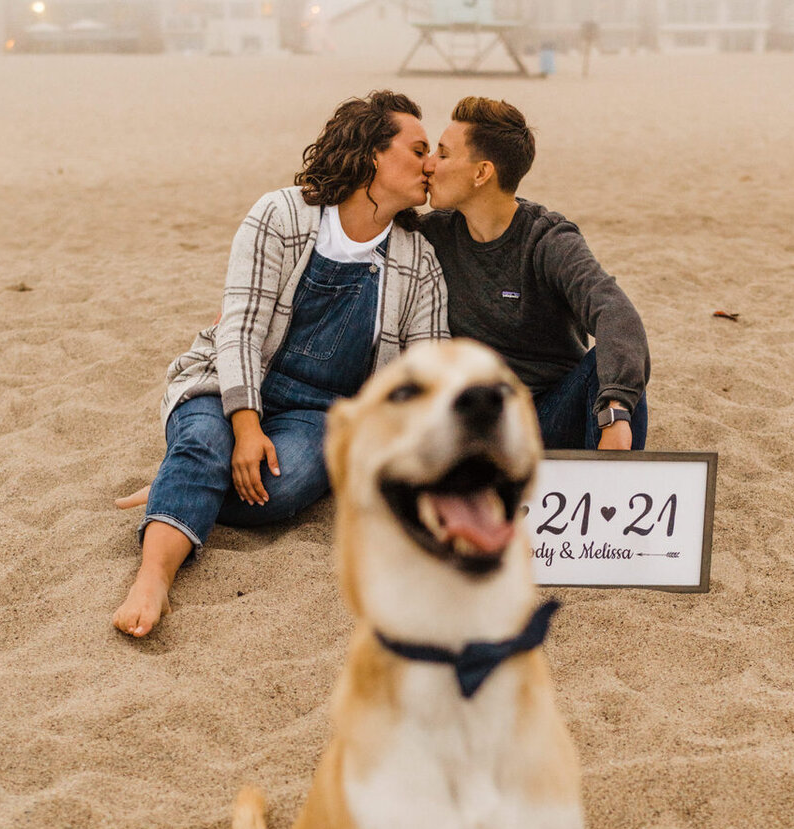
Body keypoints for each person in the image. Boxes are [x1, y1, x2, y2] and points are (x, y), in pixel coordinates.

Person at [113, 91, 446, 639]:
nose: (430, 163)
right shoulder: (281, 213)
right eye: (417, 149)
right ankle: (153, 575)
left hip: (319, 414)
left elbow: (423, 372)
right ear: (371, 156)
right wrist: (244, 426)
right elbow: (239, 329)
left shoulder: (419, 260)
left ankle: (181, 482)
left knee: (281, 491)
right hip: (229, 381)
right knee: (206, 442)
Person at [418, 96, 649, 454]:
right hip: (476, 427)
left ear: (482, 173)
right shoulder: (433, 234)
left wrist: (615, 412)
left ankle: (607, 484)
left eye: (443, 154)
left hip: (551, 417)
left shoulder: (547, 239)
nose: (430, 164)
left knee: (614, 370)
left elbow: (614, 311)